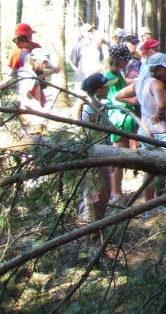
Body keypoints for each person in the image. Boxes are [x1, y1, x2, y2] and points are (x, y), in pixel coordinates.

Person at [115, 53, 166, 208]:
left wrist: (132, 101)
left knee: (150, 168)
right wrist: (159, 114)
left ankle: (148, 207)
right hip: (159, 131)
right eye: (165, 69)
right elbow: (162, 104)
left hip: (144, 130)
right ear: (157, 69)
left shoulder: (140, 83)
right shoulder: (156, 84)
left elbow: (119, 96)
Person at [77, 73, 112, 224]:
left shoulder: (99, 108)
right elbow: (89, 139)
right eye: (106, 87)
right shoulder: (91, 112)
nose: (108, 89)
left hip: (103, 156)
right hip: (95, 160)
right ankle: (89, 226)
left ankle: (97, 225)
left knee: (104, 192)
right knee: (94, 195)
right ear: (98, 90)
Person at [104, 44, 137, 204]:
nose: (127, 63)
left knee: (122, 159)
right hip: (119, 120)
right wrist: (131, 101)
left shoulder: (118, 74)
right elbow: (115, 99)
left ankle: (118, 191)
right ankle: (115, 192)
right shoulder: (110, 76)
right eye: (125, 60)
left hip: (126, 119)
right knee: (118, 157)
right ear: (117, 60)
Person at [16, 48, 61, 135]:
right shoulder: (27, 74)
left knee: (38, 134)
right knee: (34, 136)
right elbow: (25, 97)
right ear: (38, 61)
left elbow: (35, 79)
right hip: (29, 112)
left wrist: (51, 71)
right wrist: (40, 110)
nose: (45, 66)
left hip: (33, 110)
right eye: (44, 63)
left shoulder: (29, 72)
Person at [1, 23, 44, 89]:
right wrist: (2, 84)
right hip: (25, 87)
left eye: (31, 34)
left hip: (39, 85)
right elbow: (11, 73)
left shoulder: (36, 46)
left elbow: (44, 63)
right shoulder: (15, 52)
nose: (31, 37)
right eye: (28, 35)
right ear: (20, 37)